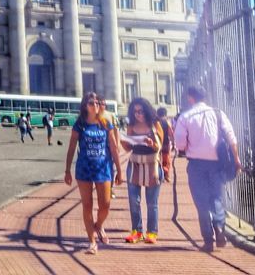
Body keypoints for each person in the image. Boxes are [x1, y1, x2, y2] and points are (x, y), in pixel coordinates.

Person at [174, 85, 241, 252]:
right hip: (217, 163)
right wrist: (237, 158)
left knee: (201, 201)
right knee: (216, 196)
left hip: (196, 163)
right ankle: (219, 226)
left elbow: (180, 144)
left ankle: (208, 239)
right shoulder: (218, 113)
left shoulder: (185, 117)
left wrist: (188, 145)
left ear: (190, 98)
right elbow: (231, 137)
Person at [64, 92, 122, 255]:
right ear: (85, 105)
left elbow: (114, 148)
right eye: (91, 102)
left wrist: (119, 170)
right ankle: (92, 241)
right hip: (84, 169)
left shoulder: (105, 124)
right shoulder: (80, 125)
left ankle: (98, 225)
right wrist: (67, 170)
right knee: (87, 205)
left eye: (97, 102)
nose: (95, 104)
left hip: (103, 169)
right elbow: (71, 148)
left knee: (105, 204)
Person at [121, 98, 164, 244]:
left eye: (140, 111)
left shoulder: (154, 124)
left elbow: (160, 146)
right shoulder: (131, 125)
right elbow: (128, 148)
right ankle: (136, 231)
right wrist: (123, 142)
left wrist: (152, 144)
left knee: (152, 202)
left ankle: (152, 232)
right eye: (135, 112)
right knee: (134, 200)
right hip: (135, 164)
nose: (138, 114)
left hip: (152, 164)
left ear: (146, 110)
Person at [156, 107, 174, 182]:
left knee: (157, 160)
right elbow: (171, 134)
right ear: (165, 114)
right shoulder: (167, 122)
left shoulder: (156, 122)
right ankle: (166, 175)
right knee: (166, 160)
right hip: (165, 143)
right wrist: (173, 142)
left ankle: (159, 175)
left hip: (157, 143)